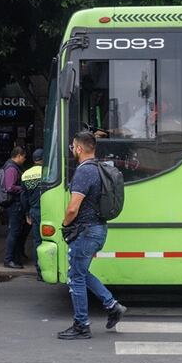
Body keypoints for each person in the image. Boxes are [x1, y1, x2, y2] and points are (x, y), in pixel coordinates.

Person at [57, 132, 127, 340]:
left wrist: (64, 224)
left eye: (72, 147)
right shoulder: (99, 168)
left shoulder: (83, 173)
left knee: (75, 277)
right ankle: (112, 306)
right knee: (81, 272)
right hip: (97, 229)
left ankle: (81, 325)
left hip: (86, 231)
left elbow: (72, 208)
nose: (72, 150)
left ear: (78, 149)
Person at [0, 146, 27, 269]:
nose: (24, 160)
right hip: (14, 205)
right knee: (14, 232)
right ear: (19, 155)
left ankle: (15, 257)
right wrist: (23, 188)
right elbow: (9, 187)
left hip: (14, 204)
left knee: (15, 231)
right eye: (24, 157)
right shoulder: (11, 168)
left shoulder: (11, 166)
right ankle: (9, 259)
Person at [21, 149, 45, 280]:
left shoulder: (26, 174)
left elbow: (23, 198)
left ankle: (39, 271)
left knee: (37, 241)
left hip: (34, 211)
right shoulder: (48, 172)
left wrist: (27, 213)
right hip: (48, 211)